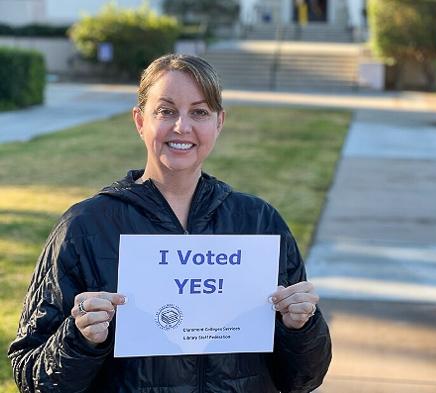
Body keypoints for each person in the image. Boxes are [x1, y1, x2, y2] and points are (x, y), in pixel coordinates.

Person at [8, 54, 332, 392]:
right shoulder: (85, 228)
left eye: (199, 112)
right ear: (139, 121)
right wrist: (81, 338)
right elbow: (32, 375)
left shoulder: (259, 223)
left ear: (219, 122)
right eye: (166, 111)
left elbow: (302, 379)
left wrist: (301, 328)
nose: (182, 127)